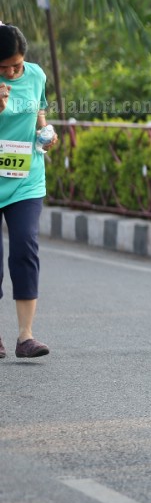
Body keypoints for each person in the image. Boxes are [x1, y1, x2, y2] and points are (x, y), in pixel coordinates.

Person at [0, 23, 59, 359]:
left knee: (25, 247)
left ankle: (26, 337)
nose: (10, 72)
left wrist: (47, 133)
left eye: (16, 65)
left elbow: (40, 112)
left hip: (26, 177)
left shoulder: (36, 75)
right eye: (3, 67)